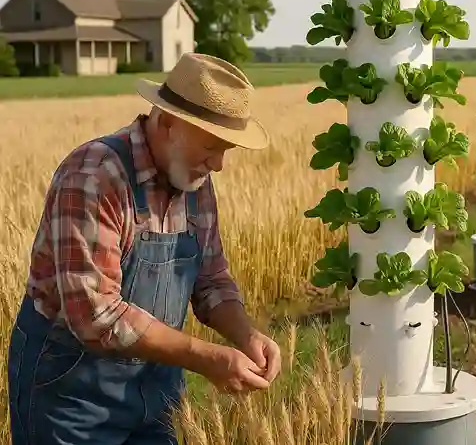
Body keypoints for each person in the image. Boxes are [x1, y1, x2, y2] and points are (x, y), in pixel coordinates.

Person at [6, 52, 282, 444]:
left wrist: (245, 336)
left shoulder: (194, 180)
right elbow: (95, 314)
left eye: (227, 150)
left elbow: (210, 280)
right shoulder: (95, 175)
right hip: (72, 397)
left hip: (158, 391)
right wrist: (206, 357)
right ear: (168, 122)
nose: (218, 164)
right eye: (212, 145)